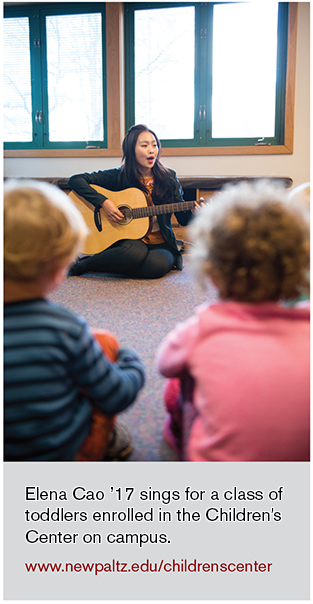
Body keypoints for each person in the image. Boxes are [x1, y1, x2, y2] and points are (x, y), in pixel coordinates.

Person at [156, 181, 310, 462]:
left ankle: (181, 435)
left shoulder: (203, 327)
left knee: (177, 386)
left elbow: (164, 364)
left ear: (211, 271)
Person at [4, 179, 145, 461]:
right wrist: (131, 361)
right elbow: (117, 394)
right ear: (61, 266)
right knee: (105, 343)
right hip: (61, 453)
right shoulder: (66, 329)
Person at [68, 124, 200, 279]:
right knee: (134, 253)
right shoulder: (119, 176)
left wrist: (195, 213)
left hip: (161, 244)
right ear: (131, 150)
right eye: (144, 145)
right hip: (130, 242)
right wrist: (104, 202)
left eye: (154, 145)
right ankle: (81, 266)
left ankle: (109, 263)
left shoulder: (169, 177)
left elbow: (183, 219)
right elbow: (76, 180)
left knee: (156, 266)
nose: (152, 150)